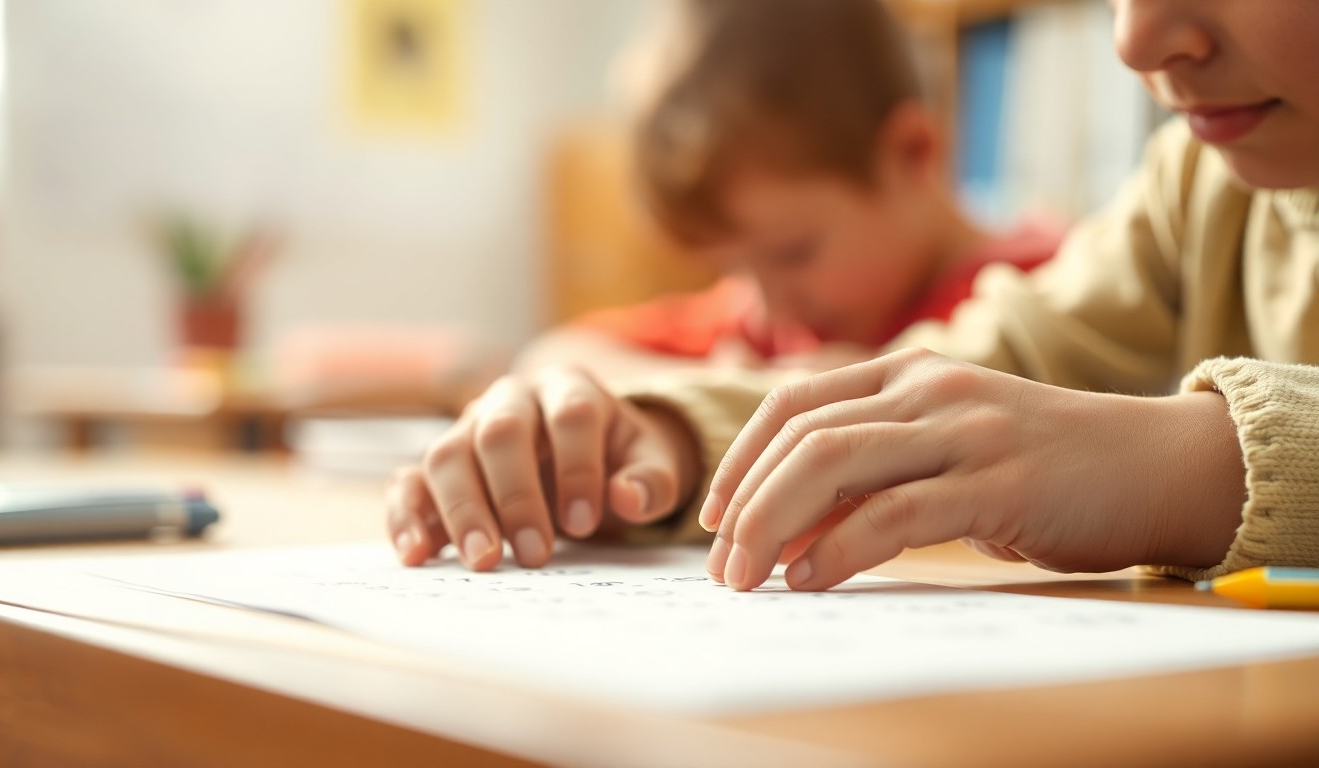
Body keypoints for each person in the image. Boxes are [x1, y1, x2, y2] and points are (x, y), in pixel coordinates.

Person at [388, 0, 1319, 590]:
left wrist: (1189, 466)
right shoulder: (1198, 188)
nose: (1134, 36)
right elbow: (959, 383)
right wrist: (660, 435)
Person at [512, 0, 1062, 380]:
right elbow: (555, 358)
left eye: (792, 253)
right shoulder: (773, 317)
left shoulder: (1051, 294)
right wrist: (710, 394)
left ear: (912, 154)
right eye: (732, 269)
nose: (770, 306)